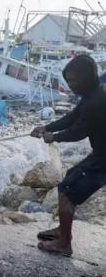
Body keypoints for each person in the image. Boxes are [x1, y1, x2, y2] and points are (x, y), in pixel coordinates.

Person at [31, 55, 106, 257]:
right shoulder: (93, 95)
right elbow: (72, 118)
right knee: (69, 177)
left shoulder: (96, 102)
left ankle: (64, 244)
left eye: (73, 81)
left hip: (104, 159)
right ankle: (62, 231)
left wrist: (53, 137)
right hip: (101, 153)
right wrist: (46, 127)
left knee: (66, 190)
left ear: (86, 78)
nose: (70, 86)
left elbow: (78, 132)